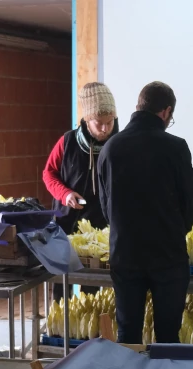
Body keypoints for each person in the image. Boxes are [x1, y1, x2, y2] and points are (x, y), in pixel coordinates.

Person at [97, 81, 193, 344]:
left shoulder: (111, 148)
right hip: (167, 255)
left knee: (128, 335)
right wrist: (177, 229)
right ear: (166, 112)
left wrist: (123, 229)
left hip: (125, 255)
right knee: (168, 336)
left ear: (138, 106)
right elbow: (191, 199)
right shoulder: (175, 148)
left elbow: (105, 204)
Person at [42, 82, 119, 297]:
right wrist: (65, 194)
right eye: (99, 123)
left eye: (110, 122)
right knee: (61, 283)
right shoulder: (67, 142)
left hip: (101, 227)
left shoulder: (119, 144)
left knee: (93, 286)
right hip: (67, 221)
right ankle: (60, 317)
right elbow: (49, 173)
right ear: (86, 119)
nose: (105, 129)